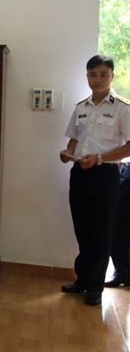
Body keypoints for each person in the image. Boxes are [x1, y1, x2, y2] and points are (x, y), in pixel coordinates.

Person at [59, 55, 130, 306]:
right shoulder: (81, 107)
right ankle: (82, 279)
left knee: (101, 231)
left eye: (102, 74)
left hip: (106, 176)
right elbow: (73, 141)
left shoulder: (122, 108)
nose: (97, 79)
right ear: (86, 77)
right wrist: (68, 154)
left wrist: (99, 158)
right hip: (80, 174)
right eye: (92, 74)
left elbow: (129, 147)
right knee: (83, 230)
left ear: (112, 76)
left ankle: (95, 287)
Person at [106, 159, 130, 287]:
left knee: (119, 227)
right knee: (117, 226)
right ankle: (123, 272)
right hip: (126, 169)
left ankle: (123, 272)